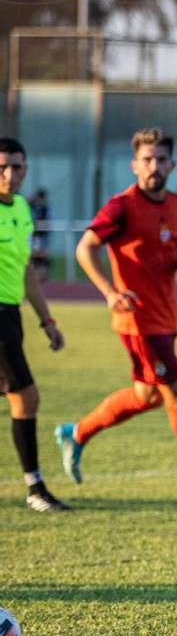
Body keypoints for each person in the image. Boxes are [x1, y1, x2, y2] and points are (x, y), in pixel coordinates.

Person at [55, 128, 177, 495]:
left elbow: (167, 250)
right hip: (138, 319)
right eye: (147, 160)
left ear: (172, 164)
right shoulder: (121, 206)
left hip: (166, 314)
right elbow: (85, 248)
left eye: (161, 160)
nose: (154, 166)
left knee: (148, 396)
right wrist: (109, 291)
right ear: (135, 164)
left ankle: (77, 432)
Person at [0, 139, 68, 511]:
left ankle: (34, 488)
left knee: (19, 397)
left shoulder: (22, 208)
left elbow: (26, 268)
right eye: (2, 167)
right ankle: (35, 489)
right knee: (27, 397)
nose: (10, 175)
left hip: (11, 314)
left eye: (17, 167)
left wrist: (47, 320)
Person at [27, 187, 52, 284]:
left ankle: (42, 275)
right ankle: (36, 275)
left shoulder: (46, 208)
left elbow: (49, 221)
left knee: (43, 255)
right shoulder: (30, 206)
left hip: (42, 235)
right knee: (33, 256)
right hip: (34, 235)